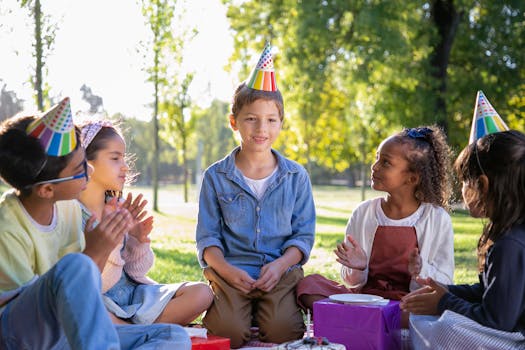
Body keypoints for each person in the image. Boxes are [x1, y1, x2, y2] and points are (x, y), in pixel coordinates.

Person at [0, 98, 191, 350]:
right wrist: (94, 251)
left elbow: (85, 290)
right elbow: (43, 311)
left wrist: (106, 246)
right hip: (23, 337)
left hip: (72, 332)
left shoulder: (67, 207)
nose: (89, 172)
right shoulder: (9, 228)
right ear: (46, 189)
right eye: (80, 169)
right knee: (78, 264)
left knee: (173, 336)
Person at [196, 43, 316, 348]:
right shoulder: (215, 177)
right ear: (234, 122)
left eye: (271, 120)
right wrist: (226, 271)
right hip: (231, 272)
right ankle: (238, 309)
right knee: (227, 334)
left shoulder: (295, 176)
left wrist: (279, 267)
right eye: (251, 118)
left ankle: (266, 311)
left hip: (279, 272)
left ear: (280, 123)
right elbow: (208, 239)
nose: (261, 128)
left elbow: (302, 237)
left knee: (283, 332)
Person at [401, 92, 525, 349]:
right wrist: (447, 290)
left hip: (515, 339)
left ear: (482, 184)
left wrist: (443, 303)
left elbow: (497, 320)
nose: (462, 190)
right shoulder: (511, 233)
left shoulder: (510, 245)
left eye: (464, 181)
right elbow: (489, 294)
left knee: (444, 327)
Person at [296, 125, 455, 327]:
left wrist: (421, 270)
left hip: (408, 304)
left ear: (412, 178)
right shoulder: (364, 213)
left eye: (386, 162)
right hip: (365, 300)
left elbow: (445, 282)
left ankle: (360, 321)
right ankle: (377, 321)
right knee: (309, 285)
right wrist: (359, 267)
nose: (375, 166)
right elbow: (351, 282)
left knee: (439, 310)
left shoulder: (436, 218)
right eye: (377, 158)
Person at [78, 119, 213, 326]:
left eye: (124, 158)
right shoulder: (73, 215)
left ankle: (135, 332)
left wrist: (136, 240)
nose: (125, 167)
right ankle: (142, 332)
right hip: (100, 301)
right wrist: (111, 240)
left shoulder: (119, 205)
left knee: (202, 293)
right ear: (87, 161)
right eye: (115, 158)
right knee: (90, 314)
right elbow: (96, 284)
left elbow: (136, 272)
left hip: (134, 297)